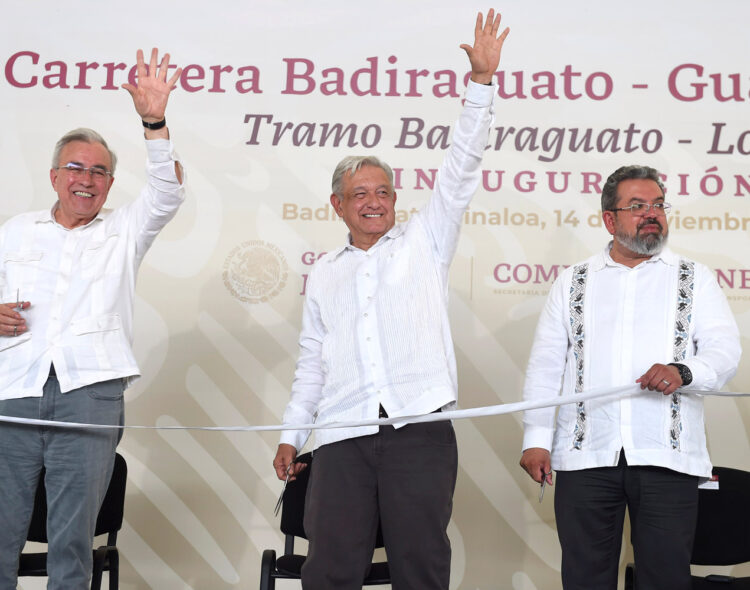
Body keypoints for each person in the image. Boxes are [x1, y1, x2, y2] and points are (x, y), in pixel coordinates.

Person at [272, 10, 509, 589]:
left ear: (396, 199)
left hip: (419, 430)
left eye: (383, 192)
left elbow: (460, 168)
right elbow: (312, 363)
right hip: (341, 436)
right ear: (338, 205)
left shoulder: (426, 240)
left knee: (420, 568)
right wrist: (292, 433)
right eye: (359, 194)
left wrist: (480, 85)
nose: (373, 202)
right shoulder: (324, 273)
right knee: (329, 571)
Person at [0, 48, 185, 590]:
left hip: (90, 391)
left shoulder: (125, 229)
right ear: (55, 176)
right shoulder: (14, 230)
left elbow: (168, 193)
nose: (88, 179)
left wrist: (154, 122)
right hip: (12, 389)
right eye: (76, 168)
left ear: (109, 183)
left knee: (72, 539)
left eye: (100, 172)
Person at [519, 165, 741, 590]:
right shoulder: (573, 282)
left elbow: (725, 350)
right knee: (585, 578)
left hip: (665, 457)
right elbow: (547, 365)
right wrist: (536, 440)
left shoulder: (694, 278)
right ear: (609, 219)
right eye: (637, 206)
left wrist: (684, 371)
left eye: (657, 204)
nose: (651, 213)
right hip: (586, 456)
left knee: (665, 579)